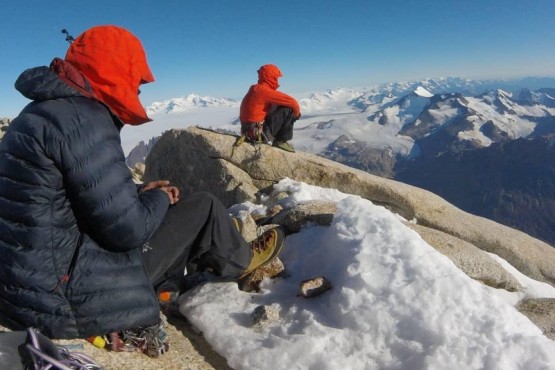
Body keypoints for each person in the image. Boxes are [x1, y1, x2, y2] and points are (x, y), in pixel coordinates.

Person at [0, 25, 285, 341]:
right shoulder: (84, 120)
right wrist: (160, 197)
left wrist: (136, 191)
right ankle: (241, 262)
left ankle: (170, 284)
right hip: (65, 296)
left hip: (26, 288)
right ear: (114, 70)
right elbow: (128, 230)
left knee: (164, 210)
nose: (138, 89)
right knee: (203, 206)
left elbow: (63, 197)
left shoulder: (42, 111)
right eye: (135, 79)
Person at [239, 64, 301, 152]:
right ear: (271, 77)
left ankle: (278, 139)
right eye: (276, 78)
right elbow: (293, 103)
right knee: (288, 110)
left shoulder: (255, 88)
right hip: (258, 134)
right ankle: (280, 141)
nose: (277, 81)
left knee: (276, 104)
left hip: (249, 132)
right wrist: (296, 115)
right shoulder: (264, 91)